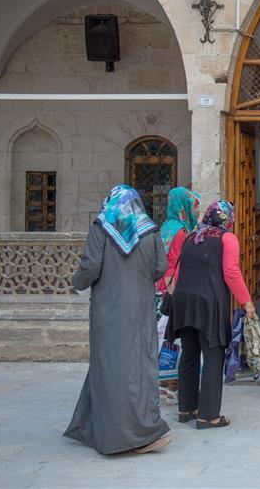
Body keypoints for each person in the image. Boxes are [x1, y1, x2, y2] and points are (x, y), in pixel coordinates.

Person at [64, 185, 172, 455]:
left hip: (109, 311)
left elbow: (90, 267)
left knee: (109, 366)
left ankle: (119, 435)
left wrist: (76, 283)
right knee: (139, 366)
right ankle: (107, 425)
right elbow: (160, 268)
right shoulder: (150, 230)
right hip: (141, 311)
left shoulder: (101, 228)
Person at [164, 200, 256, 428]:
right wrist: (247, 302)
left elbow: (178, 269)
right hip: (209, 304)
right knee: (213, 356)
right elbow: (231, 272)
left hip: (184, 301)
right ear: (227, 218)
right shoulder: (227, 238)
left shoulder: (192, 237)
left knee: (190, 354)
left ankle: (187, 409)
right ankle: (208, 416)